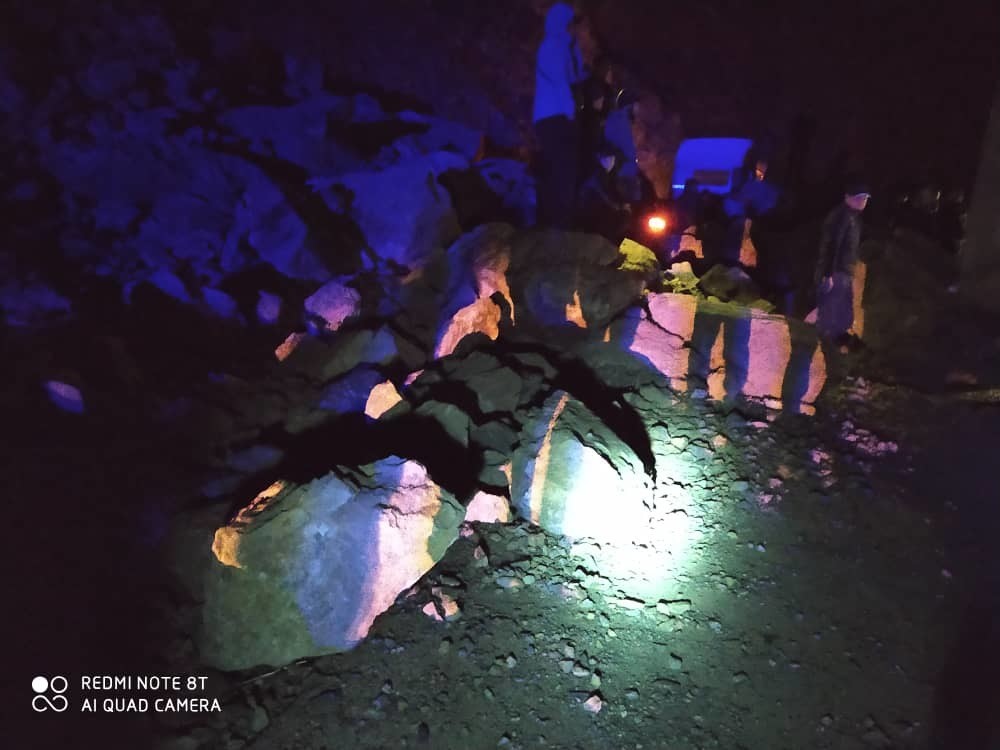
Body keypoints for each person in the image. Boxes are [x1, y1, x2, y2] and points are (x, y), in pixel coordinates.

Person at [532, 2, 586, 229]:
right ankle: (555, 223)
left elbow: (577, 76)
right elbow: (562, 81)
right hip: (553, 116)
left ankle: (559, 221)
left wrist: (574, 49)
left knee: (564, 169)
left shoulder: (565, 47)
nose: (575, 29)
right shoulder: (551, 46)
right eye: (571, 24)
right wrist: (570, 111)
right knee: (560, 169)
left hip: (559, 116)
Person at [814, 181, 870, 356]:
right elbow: (830, 246)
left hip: (844, 272)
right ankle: (826, 348)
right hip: (837, 272)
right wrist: (828, 274)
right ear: (848, 197)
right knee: (832, 313)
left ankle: (836, 347)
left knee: (843, 314)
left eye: (865, 198)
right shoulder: (841, 217)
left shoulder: (854, 218)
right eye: (859, 198)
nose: (863, 201)